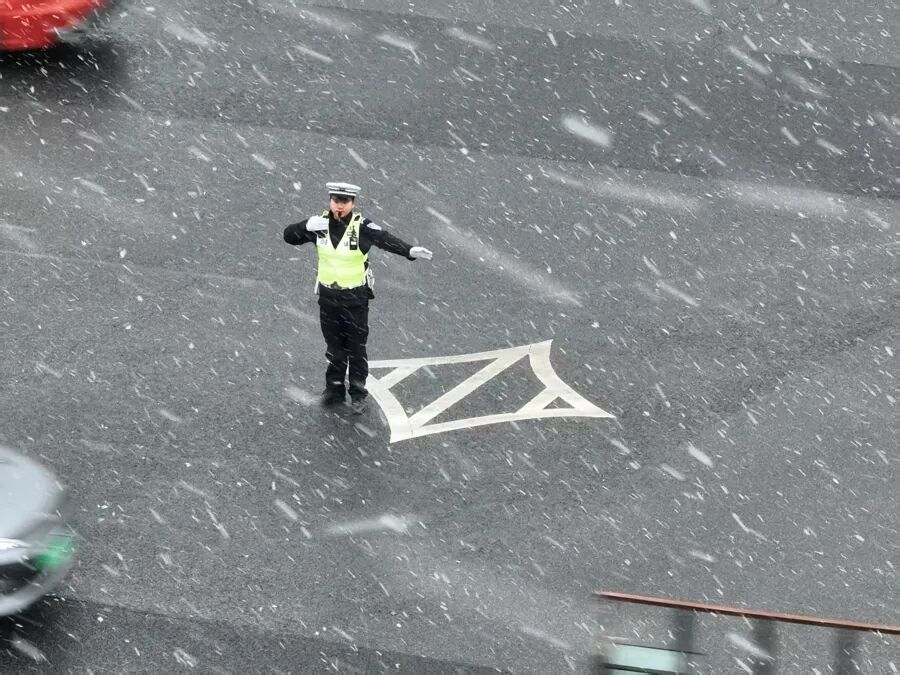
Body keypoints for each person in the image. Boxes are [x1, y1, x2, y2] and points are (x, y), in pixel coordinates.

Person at [283, 182, 433, 414]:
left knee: (356, 348)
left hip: (354, 299)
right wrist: (304, 225)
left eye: (344, 202)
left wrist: (409, 251)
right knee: (334, 348)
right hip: (328, 297)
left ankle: (358, 394)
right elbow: (288, 237)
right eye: (335, 201)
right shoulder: (318, 225)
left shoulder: (361, 226)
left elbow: (385, 239)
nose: (339, 206)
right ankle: (333, 391)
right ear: (330, 201)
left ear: (353, 203)